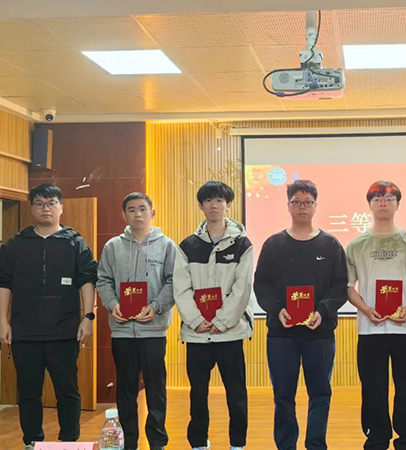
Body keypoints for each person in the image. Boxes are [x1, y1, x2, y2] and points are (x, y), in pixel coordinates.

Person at [0, 183, 97, 450]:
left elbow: (87, 279)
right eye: (40, 203)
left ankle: (69, 442)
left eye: (52, 203)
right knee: (28, 393)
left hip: (64, 331)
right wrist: (3, 321)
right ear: (32, 208)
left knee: (67, 390)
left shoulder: (75, 242)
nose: (46, 208)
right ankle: (32, 442)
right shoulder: (15, 244)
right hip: (24, 332)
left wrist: (88, 316)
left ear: (61, 207)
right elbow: (4, 283)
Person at [254, 179, 348, 450]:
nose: (302, 207)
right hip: (281, 334)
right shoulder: (273, 244)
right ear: (288, 206)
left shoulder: (330, 245)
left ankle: (316, 444)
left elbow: (339, 286)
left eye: (308, 202)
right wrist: (277, 309)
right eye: (297, 202)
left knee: (320, 394)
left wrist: (322, 310)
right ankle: (286, 445)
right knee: (283, 395)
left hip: (320, 333)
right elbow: (262, 285)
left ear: (316, 206)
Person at [346, 181, 406, 450]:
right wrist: (366, 309)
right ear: (369, 204)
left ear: (398, 204)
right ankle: (376, 440)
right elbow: (348, 287)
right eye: (377, 198)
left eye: (389, 198)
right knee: (373, 388)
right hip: (371, 329)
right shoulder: (356, 245)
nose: (383, 202)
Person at [174, 181, 254, 450]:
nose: (214, 205)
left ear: (228, 205)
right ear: (201, 205)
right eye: (208, 200)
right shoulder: (187, 245)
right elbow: (181, 288)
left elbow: (242, 288)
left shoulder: (243, 244)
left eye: (219, 200)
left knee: (236, 393)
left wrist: (221, 321)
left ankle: (237, 444)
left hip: (230, 332)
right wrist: (196, 320)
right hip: (197, 335)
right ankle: (198, 443)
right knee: (198, 394)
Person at [97, 192, 177, 450]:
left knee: (156, 390)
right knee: (126, 391)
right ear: (124, 215)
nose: (138, 214)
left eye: (142, 209)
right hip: (122, 332)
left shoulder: (167, 246)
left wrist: (157, 306)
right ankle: (128, 442)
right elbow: (103, 280)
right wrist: (113, 304)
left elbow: (174, 281)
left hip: (154, 331)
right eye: (131, 209)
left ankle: (157, 442)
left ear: (152, 213)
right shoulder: (113, 247)